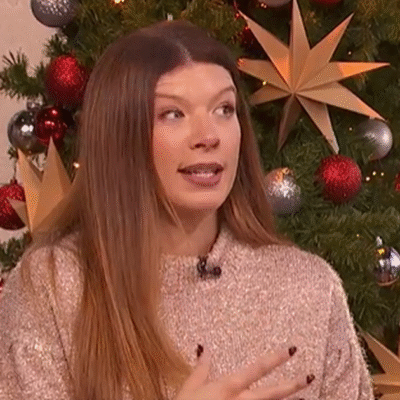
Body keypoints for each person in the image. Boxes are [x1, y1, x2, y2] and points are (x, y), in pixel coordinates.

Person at [0, 19, 373, 400]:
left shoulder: (308, 286)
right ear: (120, 136)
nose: (209, 136)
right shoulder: (51, 286)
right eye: (173, 114)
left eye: (224, 109)